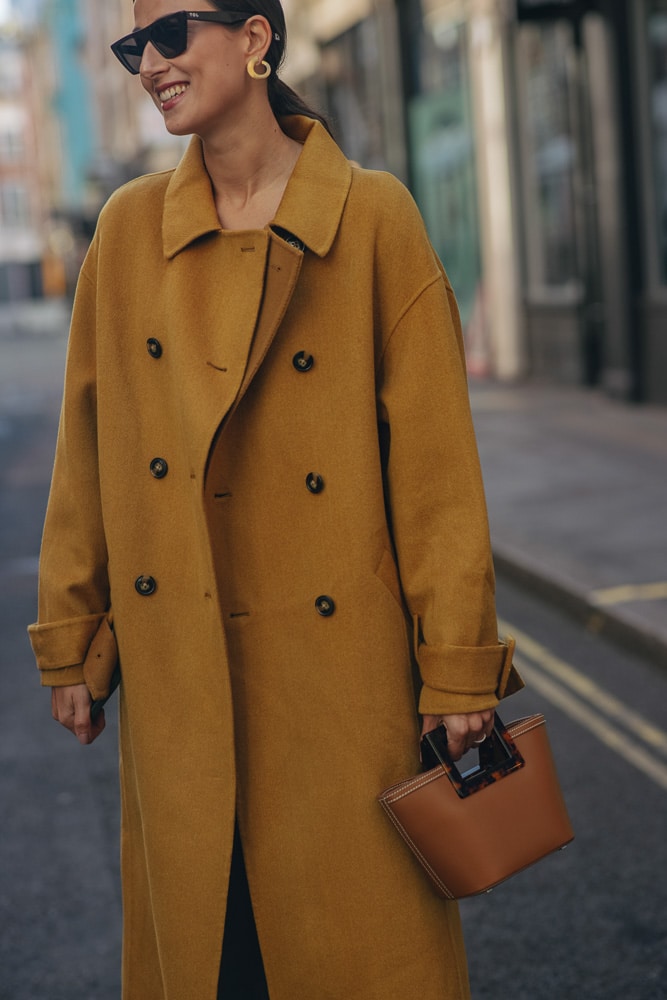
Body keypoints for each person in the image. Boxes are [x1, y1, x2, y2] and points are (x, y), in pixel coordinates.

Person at [28, 2, 522, 998]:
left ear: (256, 39)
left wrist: (458, 666)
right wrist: (71, 627)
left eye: (172, 36)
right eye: (134, 47)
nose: (150, 64)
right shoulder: (126, 236)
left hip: (339, 689)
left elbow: (434, 473)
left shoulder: (372, 217)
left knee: (351, 951)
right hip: (183, 683)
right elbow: (84, 453)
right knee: (220, 959)